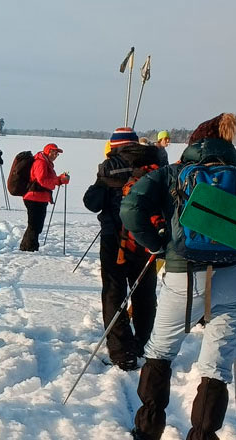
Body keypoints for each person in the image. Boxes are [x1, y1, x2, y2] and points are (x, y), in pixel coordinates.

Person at [121, 112, 236, 440]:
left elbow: (130, 206)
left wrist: (158, 244)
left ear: (193, 143)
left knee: (161, 349)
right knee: (217, 363)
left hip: (184, 275)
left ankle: (148, 430)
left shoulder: (173, 172)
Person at [82, 126, 161, 371]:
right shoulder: (156, 163)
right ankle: (144, 344)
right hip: (147, 239)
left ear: (115, 145)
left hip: (114, 238)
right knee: (144, 293)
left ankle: (121, 352)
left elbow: (91, 203)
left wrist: (103, 184)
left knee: (114, 292)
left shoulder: (110, 166)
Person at [18, 143, 70, 251]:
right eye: (53, 152)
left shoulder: (46, 163)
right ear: (47, 151)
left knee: (36, 225)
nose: (55, 155)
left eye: (57, 153)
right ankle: (30, 248)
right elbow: (42, 181)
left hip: (39, 197)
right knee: (34, 225)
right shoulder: (41, 163)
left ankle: (27, 247)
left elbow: (48, 179)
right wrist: (58, 180)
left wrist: (60, 179)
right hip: (34, 197)